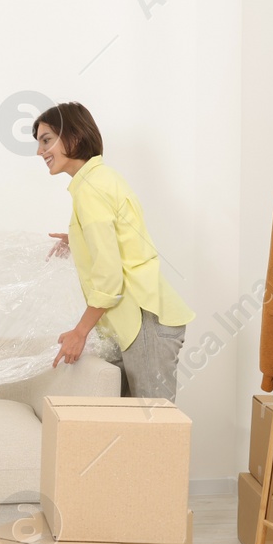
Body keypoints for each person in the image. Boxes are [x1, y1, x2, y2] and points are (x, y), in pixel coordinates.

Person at [35, 102, 193, 400]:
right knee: (129, 427)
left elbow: (109, 277)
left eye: (46, 140)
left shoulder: (91, 189)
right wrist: (80, 238)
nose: (40, 152)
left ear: (74, 137)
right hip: (140, 321)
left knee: (153, 431)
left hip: (145, 319)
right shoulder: (99, 180)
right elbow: (121, 239)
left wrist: (79, 331)